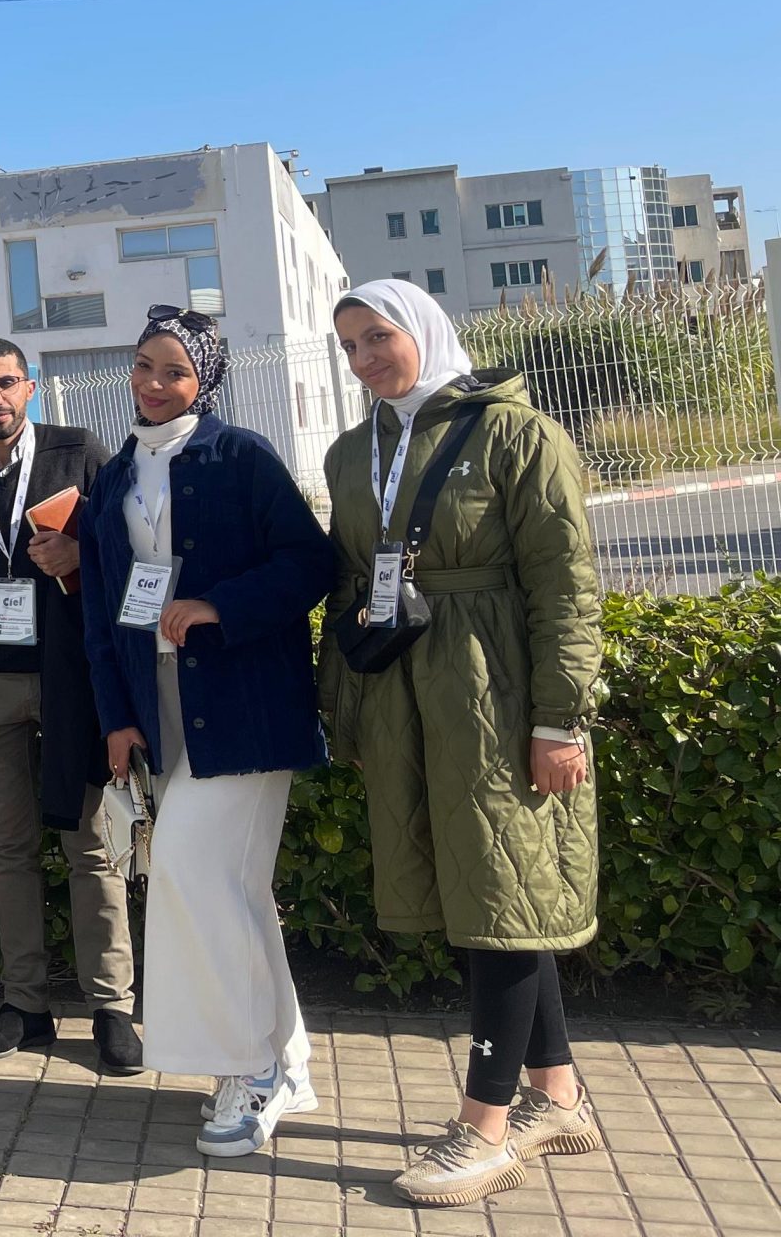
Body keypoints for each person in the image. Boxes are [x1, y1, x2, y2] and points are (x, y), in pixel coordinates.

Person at [320, 279, 604, 1207]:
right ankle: (557, 1096)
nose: (364, 359)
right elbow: (348, 583)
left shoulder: (518, 435)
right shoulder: (352, 450)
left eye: (378, 337)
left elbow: (566, 585)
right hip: (403, 687)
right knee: (491, 889)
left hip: (495, 689)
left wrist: (559, 719)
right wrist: (349, 707)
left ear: (425, 330)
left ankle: (484, 1128)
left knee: (500, 890)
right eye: (349, 345)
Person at [79, 306, 334, 1157]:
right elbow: (99, 610)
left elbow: (310, 562)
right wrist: (116, 718)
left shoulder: (242, 456)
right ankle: (284, 1059)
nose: (154, 384)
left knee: (192, 870)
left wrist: (220, 605)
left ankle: (247, 1069)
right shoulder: (118, 474)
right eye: (143, 366)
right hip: (157, 707)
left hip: (243, 706)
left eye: (175, 371)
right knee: (232, 891)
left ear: (206, 379)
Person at [0, 338, 136, 1074]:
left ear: (31, 386)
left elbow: (135, 546)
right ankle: (26, 1006)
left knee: (91, 846)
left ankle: (112, 1008)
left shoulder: (79, 453)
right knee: (8, 849)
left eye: (6, 382)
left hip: (72, 678)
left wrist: (82, 554)